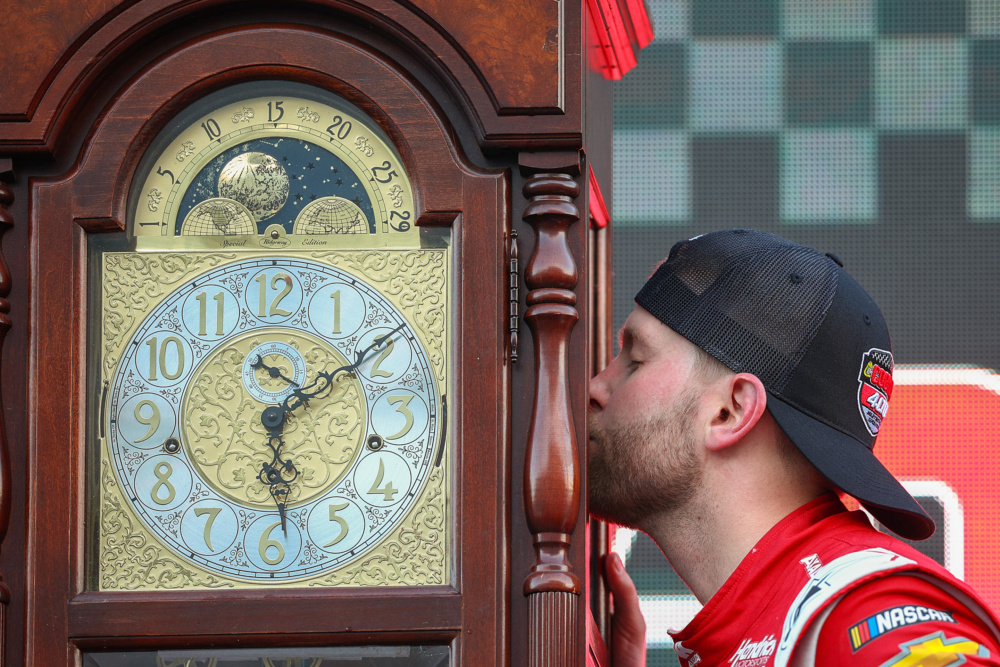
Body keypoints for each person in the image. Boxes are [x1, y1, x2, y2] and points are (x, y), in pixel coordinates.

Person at [588, 229, 1000, 667]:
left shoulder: (867, 614)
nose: (595, 387)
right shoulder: (778, 620)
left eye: (635, 360)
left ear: (729, 412)